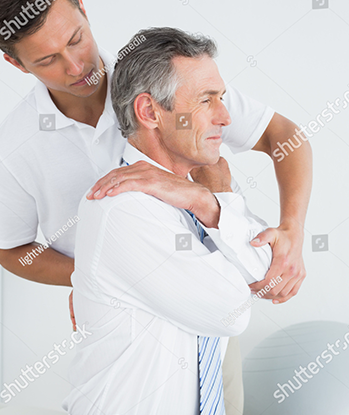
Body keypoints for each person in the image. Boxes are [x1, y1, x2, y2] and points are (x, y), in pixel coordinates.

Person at [0, 0, 311, 413]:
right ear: (14, 63)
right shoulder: (12, 149)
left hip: (207, 299)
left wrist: (291, 229)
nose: (77, 66)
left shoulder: (165, 81)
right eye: (47, 59)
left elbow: (285, 138)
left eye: (76, 39)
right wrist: (95, 277)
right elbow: (10, 249)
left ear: (83, 9)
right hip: (127, 329)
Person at [64, 28, 274, 415]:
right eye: (206, 100)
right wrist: (213, 203)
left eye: (222, 98)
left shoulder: (206, 187)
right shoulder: (120, 208)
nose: (225, 117)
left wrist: (209, 202)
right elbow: (232, 311)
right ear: (149, 112)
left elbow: (267, 274)